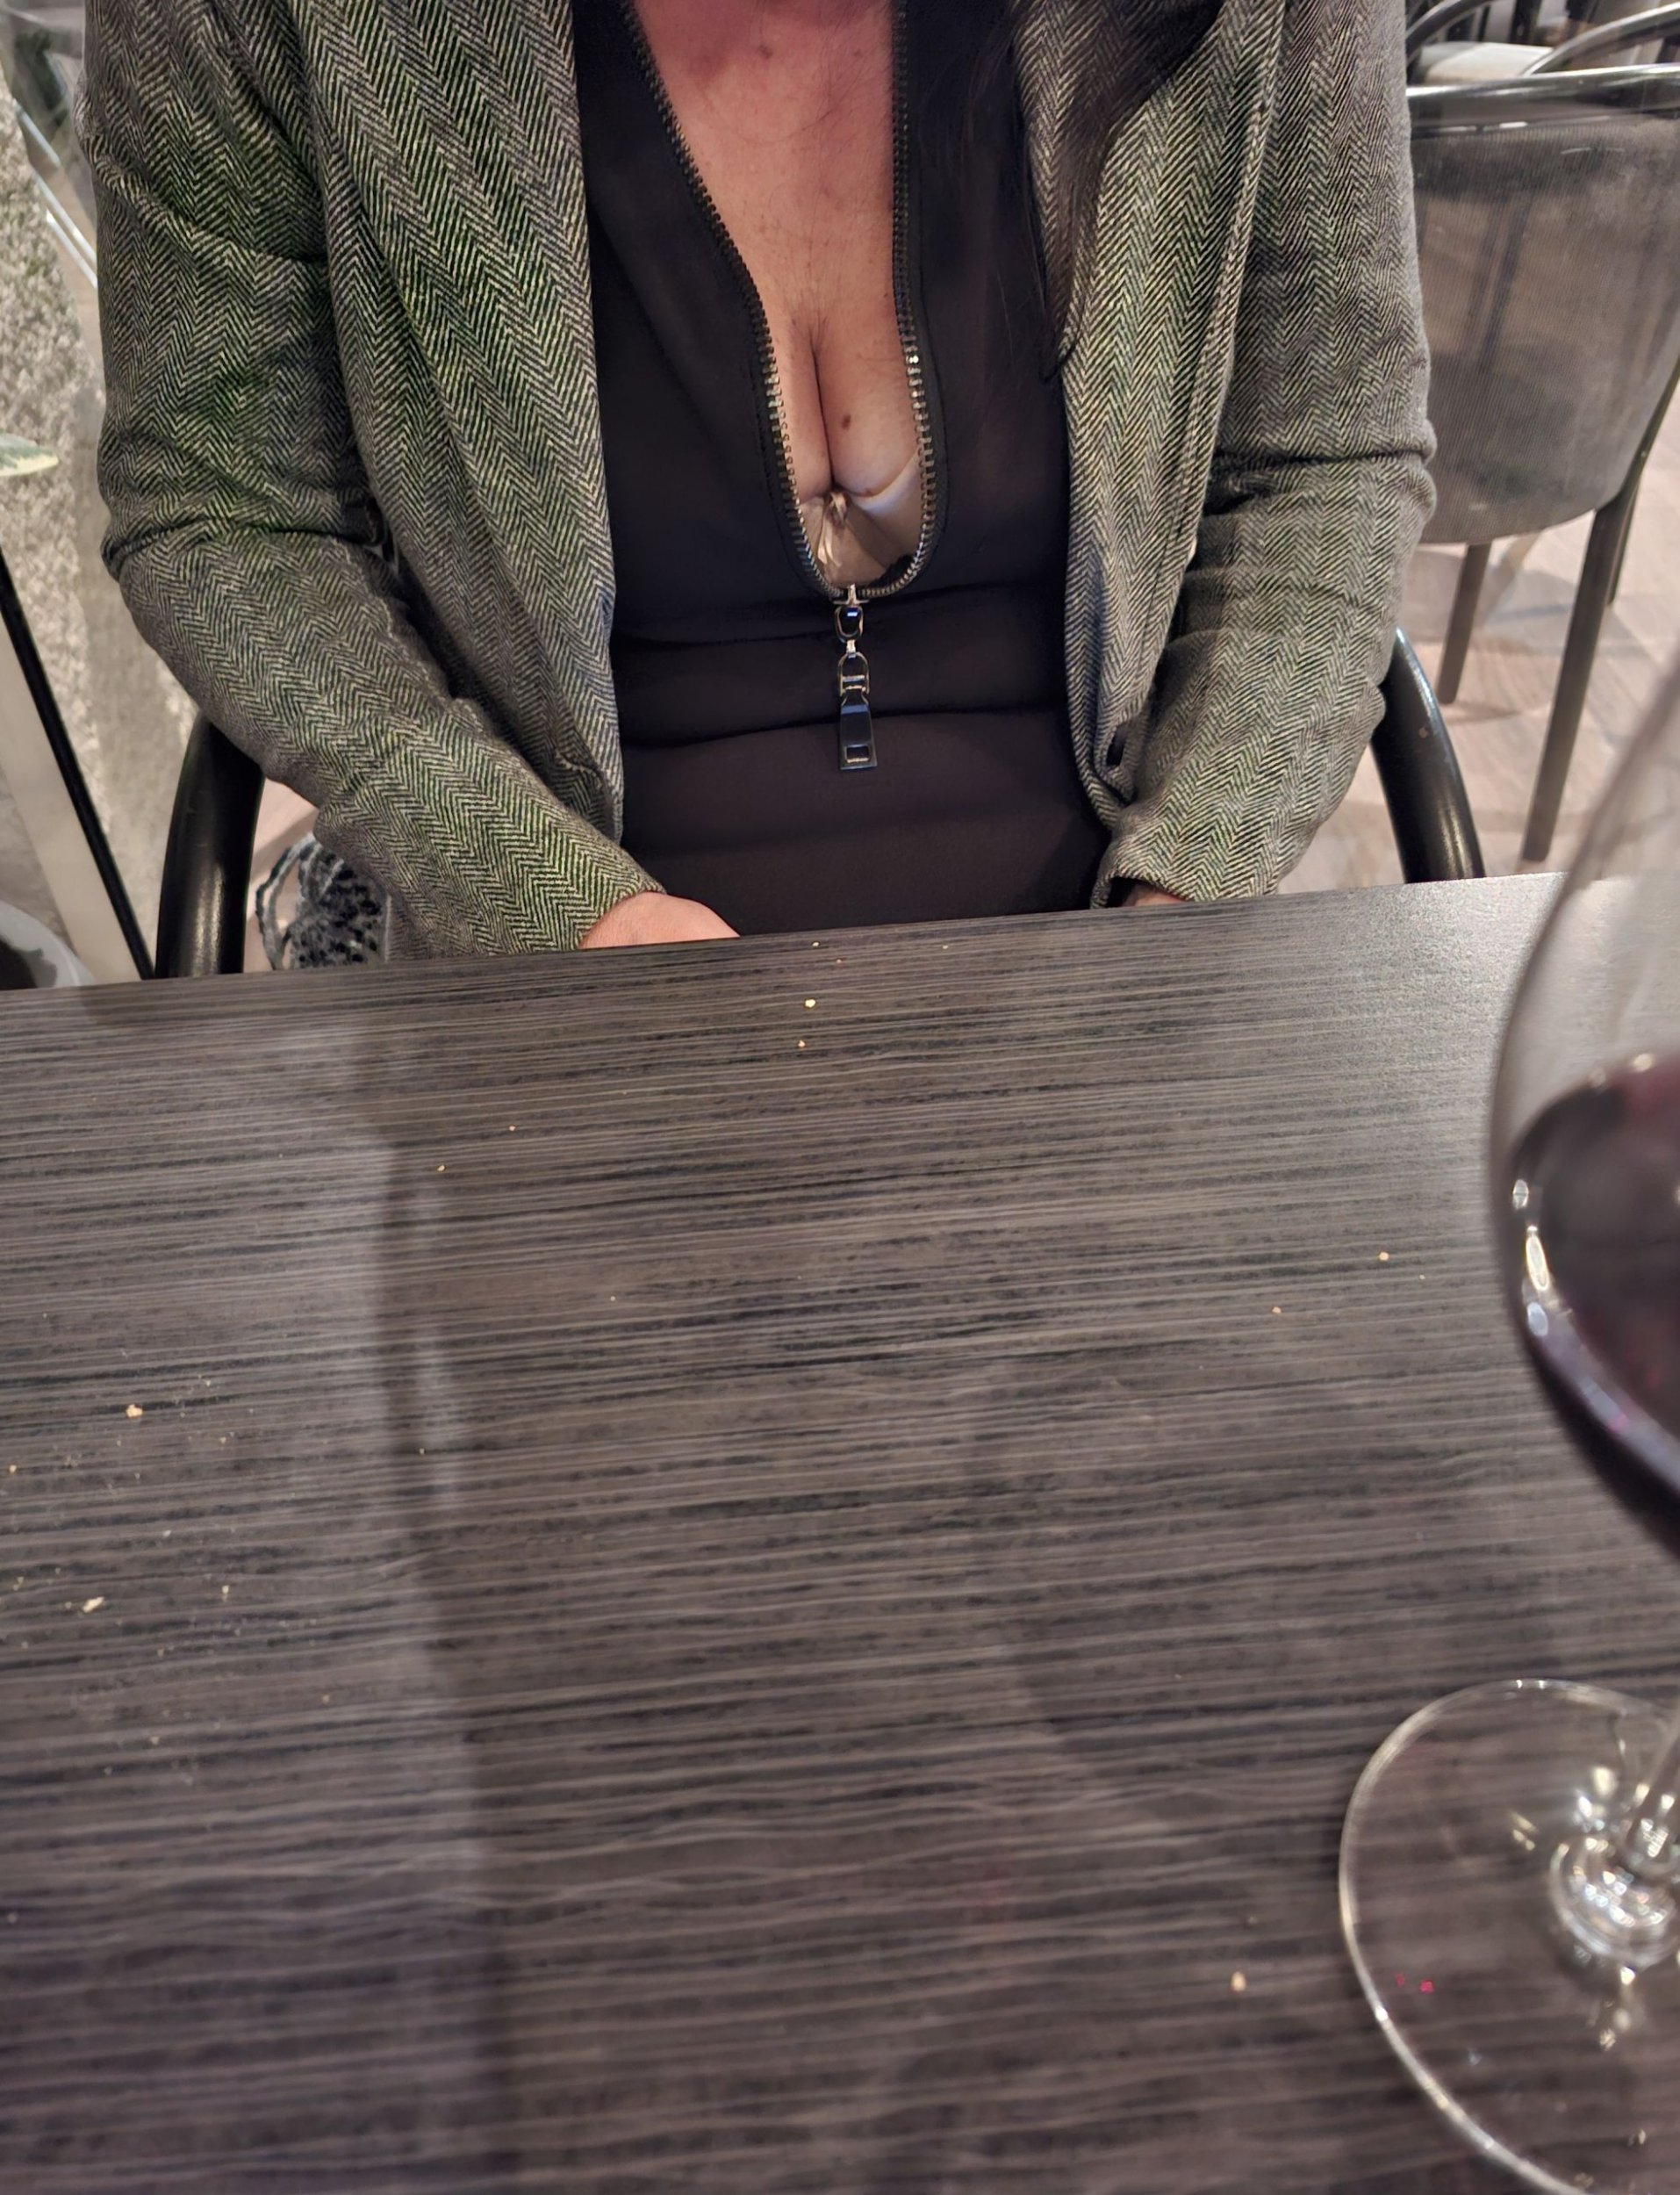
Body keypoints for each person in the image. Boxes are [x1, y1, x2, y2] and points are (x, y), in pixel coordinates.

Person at [84, 0, 1432, 960]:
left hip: (1123, 951)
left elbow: (1321, 459)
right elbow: (230, 513)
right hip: (567, 962)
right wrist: (539, 897)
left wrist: (1189, 887)